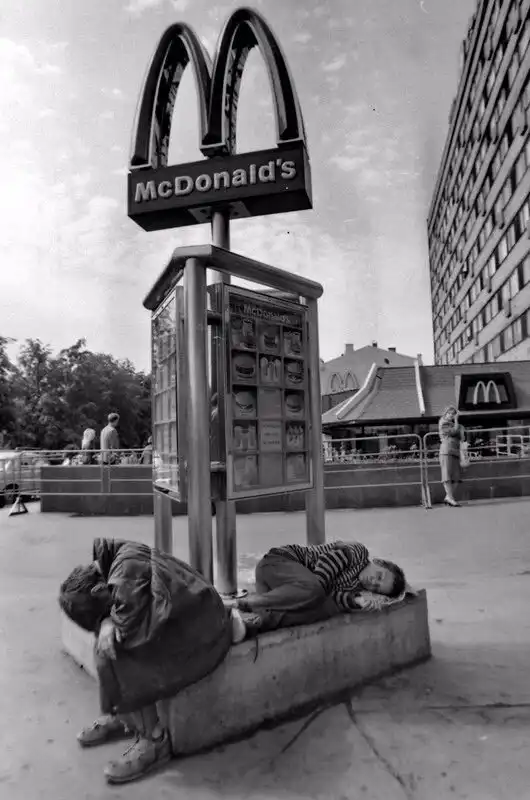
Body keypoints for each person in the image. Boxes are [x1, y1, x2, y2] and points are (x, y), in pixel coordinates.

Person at [59, 538, 235, 784]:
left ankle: (154, 740)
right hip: (189, 621)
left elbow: (129, 627)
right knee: (106, 637)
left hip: (207, 635)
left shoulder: (126, 575)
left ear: (98, 590)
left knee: (117, 647)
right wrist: (106, 622)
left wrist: (108, 622)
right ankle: (124, 715)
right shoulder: (113, 563)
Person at [231, 540, 407, 640]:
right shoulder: (358, 552)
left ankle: (254, 622)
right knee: (317, 592)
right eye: (379, 576)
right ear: (378, 562)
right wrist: (317, 596)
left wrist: (356, 601)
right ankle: (242, 604)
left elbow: (332, 598)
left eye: (376, 587)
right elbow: (326, 564)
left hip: (280, 593)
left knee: (327, 608)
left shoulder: (356, 588)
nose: (373, 581)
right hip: (276, 564)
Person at [438, 405, 466, 507]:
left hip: (455, 451)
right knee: (447, 476)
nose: (451, 415)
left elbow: (462, 437)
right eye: (449, 413)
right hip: (446, 451)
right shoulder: (443, 422)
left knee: (456, 477)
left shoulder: (454, 424)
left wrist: (460, 428)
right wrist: (457, 421)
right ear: (445, 414)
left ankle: (448, 497)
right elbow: (453, 432)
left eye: (453, 414)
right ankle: (450, 498)